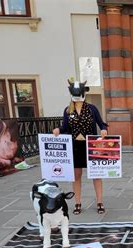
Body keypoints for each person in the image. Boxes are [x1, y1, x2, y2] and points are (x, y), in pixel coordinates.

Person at [53, 79, 108, 215]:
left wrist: (103, 130)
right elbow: (65, 127)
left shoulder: (92, 109)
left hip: (91, 145)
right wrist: (58, 130)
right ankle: (77, 202)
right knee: (76, 175)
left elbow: (102, 123)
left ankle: (99, 202)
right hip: (75, 146)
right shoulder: (67, 110)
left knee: (96, 175)